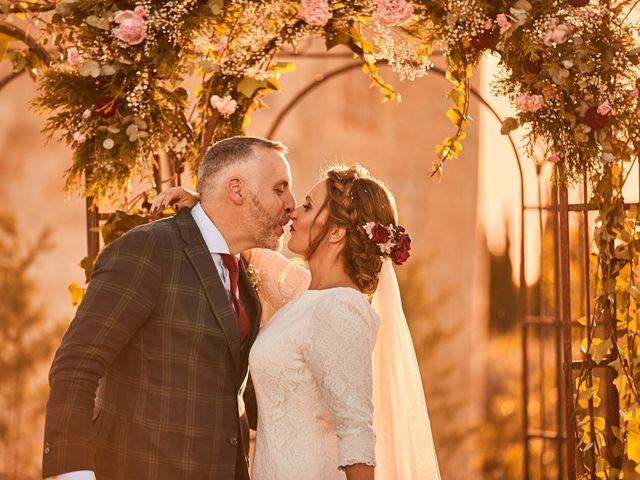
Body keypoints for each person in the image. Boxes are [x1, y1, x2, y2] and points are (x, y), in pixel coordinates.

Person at [156, 164, 441, 479]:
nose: (293, 212)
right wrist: (204, 205)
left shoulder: (341, 309)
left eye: (307, 206)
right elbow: (254, 255)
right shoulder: (309, 297)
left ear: (335, 232)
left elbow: (356, 430)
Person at [42, 136, 295, 480]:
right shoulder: (148, 249)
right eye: (279, 189)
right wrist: (72, 474)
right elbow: (76, 366)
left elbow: (230, 383)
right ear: (236, 190)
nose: (291, 203)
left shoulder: (244, 280)